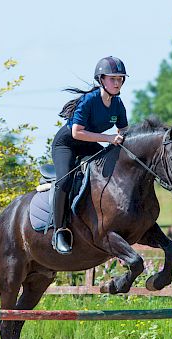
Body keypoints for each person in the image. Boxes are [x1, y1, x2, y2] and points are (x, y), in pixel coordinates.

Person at [51, 56, 129, 255]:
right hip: (67, 144)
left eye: (120, 79)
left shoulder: (118, 105)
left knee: (108, 174)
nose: (117, 82)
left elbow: (124, 132)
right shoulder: (89, 100)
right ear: (101, 79)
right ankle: (59, 230)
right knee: (65, 181)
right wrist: (109, 138)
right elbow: (77, 132)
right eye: (113, 79)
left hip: (89, 144)